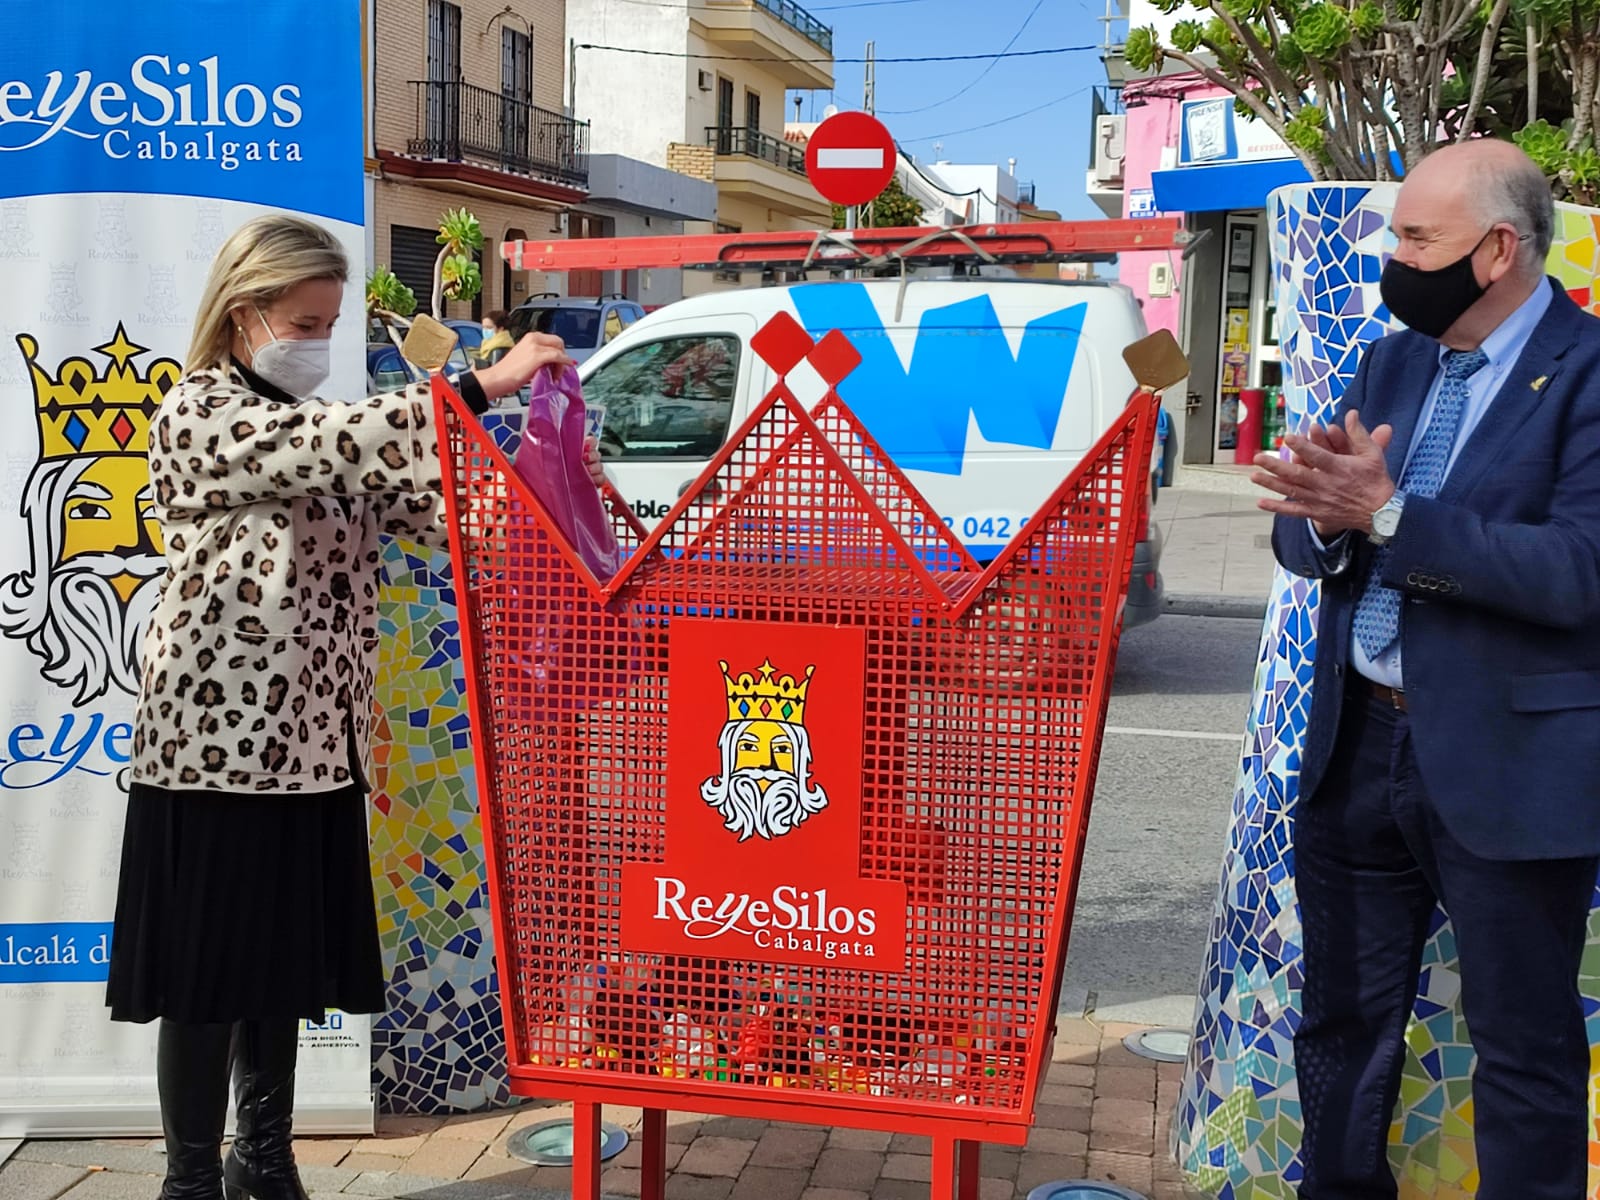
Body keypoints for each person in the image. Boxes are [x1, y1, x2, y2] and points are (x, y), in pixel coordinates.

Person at [105, 214, 603, 1200]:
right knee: (207, 984)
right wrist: (469, 385)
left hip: (316, 751)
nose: (320, 341)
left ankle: (263, 1158)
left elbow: (427, 497)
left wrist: (541, 472)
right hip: (214, 756)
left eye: (332, 322)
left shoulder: (327, 430)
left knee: (279, 976)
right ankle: (192, 1180)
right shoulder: (198, 413)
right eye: (306, 319)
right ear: (244, 314)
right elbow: (328, 440)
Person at [1254, 138, 1600, 1199]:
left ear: (1498, 250)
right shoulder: (1391, 360)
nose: (1393, 259)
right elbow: (1315, 532)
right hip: (1359, 743)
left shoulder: (1589, 374)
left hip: (1507, 764)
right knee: (1343, 1019)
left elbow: (1579, 573)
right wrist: (1321, 522)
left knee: (1523, 1044)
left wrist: (1390, 514)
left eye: (1416, 238)